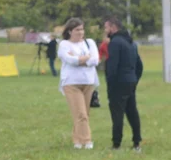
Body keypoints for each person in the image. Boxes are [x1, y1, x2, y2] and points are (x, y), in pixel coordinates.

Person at [57, 18, 100, 150]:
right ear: (70, 31)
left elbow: (95, 60)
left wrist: (81, 59)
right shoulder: (64, 44)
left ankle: (77, 140)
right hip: (71, 83)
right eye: (77, 30)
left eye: (82, 29)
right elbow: (70, 60)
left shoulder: (89, 42)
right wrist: (85, 58)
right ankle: (87, 141)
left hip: (88, 81)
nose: (80, 32)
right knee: (80, 113)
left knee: (84, 113)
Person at [103, 16, 143, 151]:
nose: (105, 31)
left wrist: (110, 82)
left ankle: (116, 143)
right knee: (132, 111)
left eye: (106, 28)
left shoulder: (115, 43)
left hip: (118, 82)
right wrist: (134, 79)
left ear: (113, 27)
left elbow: (112, 66)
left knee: (117, 113)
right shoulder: (131, 43)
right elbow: (139, 65)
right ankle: (137, 141)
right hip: (130, 81)